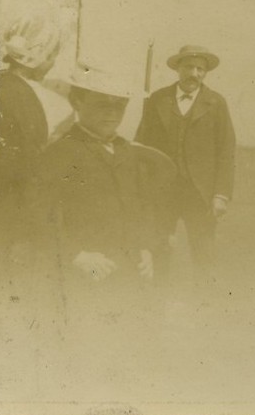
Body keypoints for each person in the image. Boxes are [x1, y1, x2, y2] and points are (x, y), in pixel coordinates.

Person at [33, 64, 177, 331]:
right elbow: (38, 215)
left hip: (131, 271)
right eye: (102, 104)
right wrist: (76, 255)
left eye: (119, 106)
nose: (112, 113)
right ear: (78, 102)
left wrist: (146, 247)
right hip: (87, 274)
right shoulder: (61, 153)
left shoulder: (128, 153)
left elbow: (142, 207)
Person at [135, 45, 236, 286]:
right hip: (163, 191)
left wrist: (221, 194)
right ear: (178, 69)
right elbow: (142, 146)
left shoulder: (216, 103)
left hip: (200, 193)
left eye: (200, 69)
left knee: (204, 253)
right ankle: (155, 308)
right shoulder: (158, 100)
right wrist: (142, 189)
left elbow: (226, 151)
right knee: (159, 249)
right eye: (189, 67)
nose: (195, 73)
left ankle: (205, 312)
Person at [0, 12, 71, 264]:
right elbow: (25, 163)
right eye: (51, 55)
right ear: (37, 56)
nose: (52, 62)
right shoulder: (20, 96)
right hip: (12, 214)